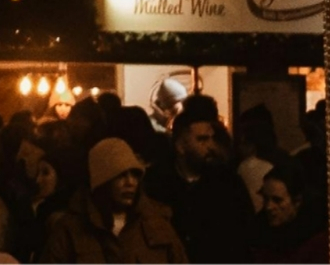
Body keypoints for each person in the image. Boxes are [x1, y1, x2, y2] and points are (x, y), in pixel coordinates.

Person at [39, 138, 181, 263]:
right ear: (102, 182)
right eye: (121, 176)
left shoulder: (157, 224)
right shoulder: (70, 229)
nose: (130, 182)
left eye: (135, 175)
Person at [147, 107, 247, 260]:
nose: (210, 146)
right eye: (202, 139)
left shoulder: (228, 183)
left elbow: (243, 235)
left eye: (212, 138)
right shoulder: (157, 182)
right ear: (180, 146)